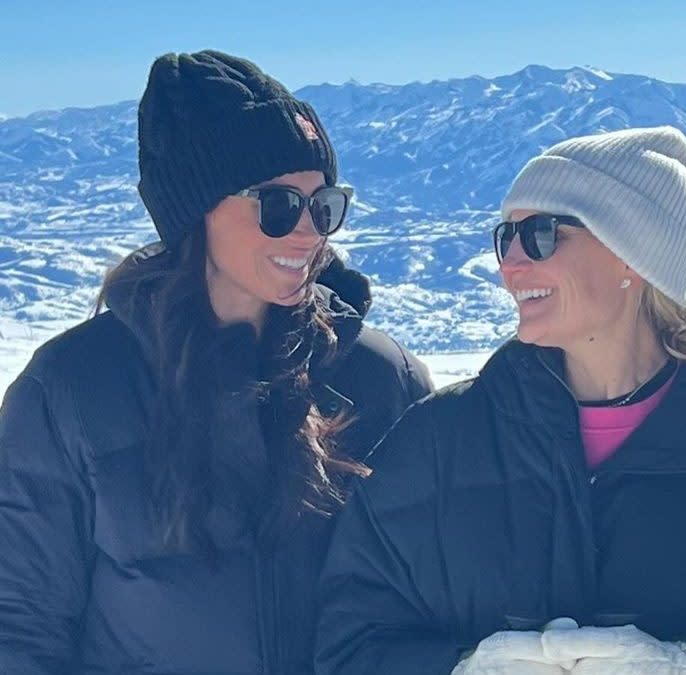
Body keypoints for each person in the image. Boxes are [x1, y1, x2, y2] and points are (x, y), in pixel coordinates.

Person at [0, 50, 432, 673]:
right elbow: (22, 627)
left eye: (325, 205)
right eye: (279, 206)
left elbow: (426, 597)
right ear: (193, 211)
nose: (310, 233)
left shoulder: (378, 376)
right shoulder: (70, 391)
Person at [316, 126, 686, 675]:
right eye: (506, 237)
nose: (511, 263)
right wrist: (460, 668)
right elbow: (348, 640)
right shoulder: (439, 442)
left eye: (540, 235)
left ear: (632, 255)